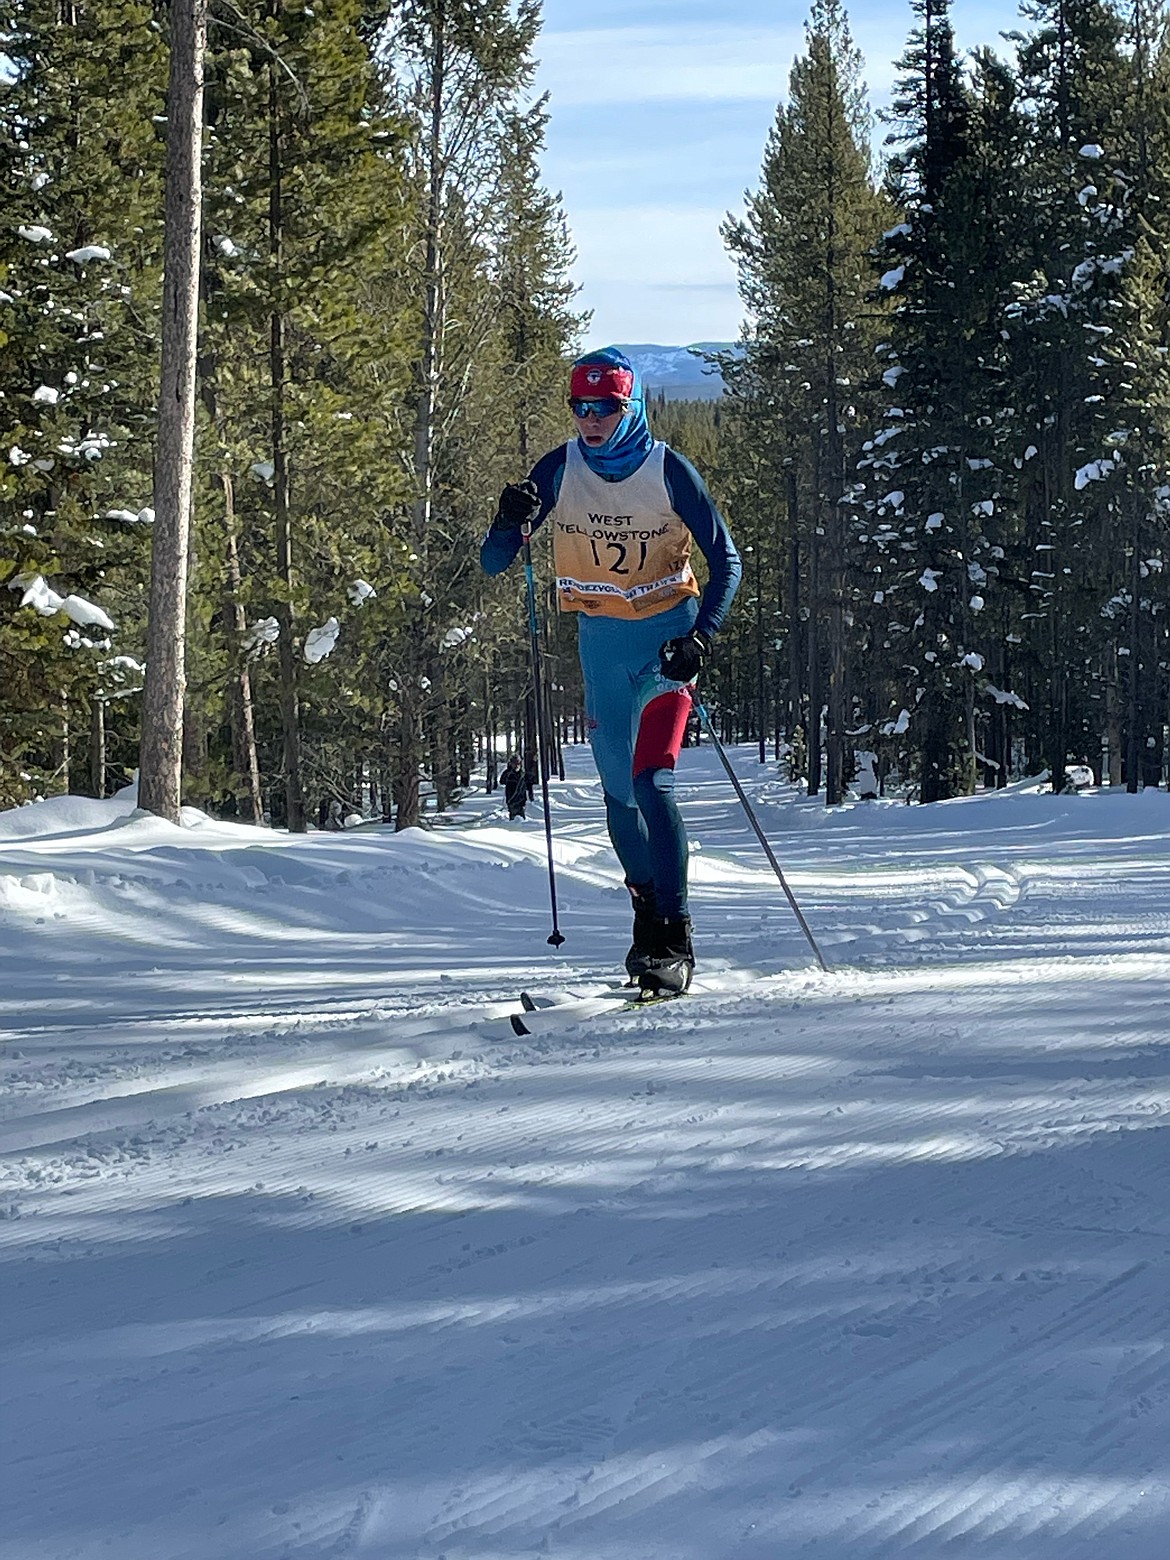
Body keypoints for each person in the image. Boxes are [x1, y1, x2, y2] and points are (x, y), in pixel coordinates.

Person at [480, 348, 741, 995]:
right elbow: (492, 562)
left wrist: (701, 639)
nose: (592, 419)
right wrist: (508, 522)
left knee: (655, 781)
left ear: (633, 407)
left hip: (666, 653)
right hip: (602, 656)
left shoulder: (668, 470)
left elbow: (726, 562)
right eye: (581, 406)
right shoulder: (558, 470)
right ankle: (647, 921)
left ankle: (675, 938)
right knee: (621, 802)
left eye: (607, 406)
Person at [502, 754, 527, 820]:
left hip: (520, 801)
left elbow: (525, 786)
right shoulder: (508, 773)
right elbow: (502, 781)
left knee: (522, 819)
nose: (516, 765)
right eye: (514, 763)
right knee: (513, 819)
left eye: (518, 763)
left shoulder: (522, 773)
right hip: (511, 800)